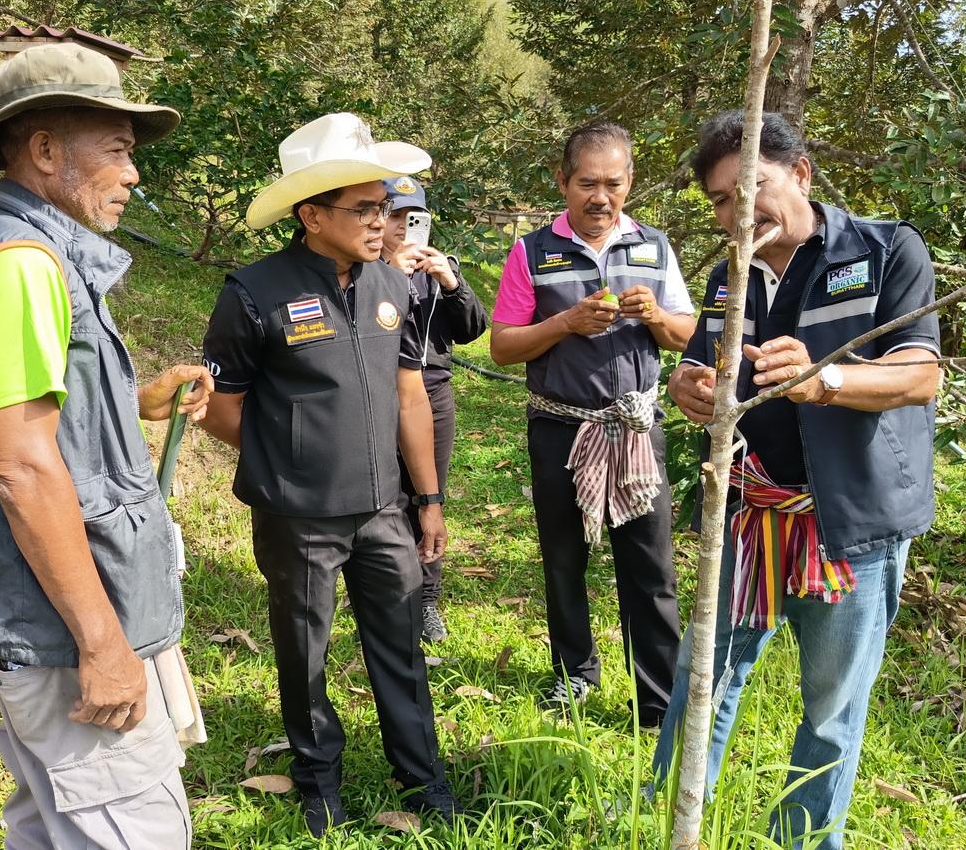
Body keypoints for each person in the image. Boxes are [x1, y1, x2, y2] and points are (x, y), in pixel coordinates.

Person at [0, 42, 215, 849]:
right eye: (117, 149)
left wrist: (132, 402)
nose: (134, 174)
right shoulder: (21, 263)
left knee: (52, 828)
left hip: (60, 624)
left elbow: (46, 422)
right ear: (47, 151)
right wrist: (104, 644)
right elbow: (18, 466)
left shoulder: (41, 254)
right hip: (64, 635)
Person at [652, 110, 941, 849]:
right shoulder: (728, 279)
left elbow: (920, 373)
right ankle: (663, 817)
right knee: (702, 678)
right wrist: (688, 387)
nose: (735, 213)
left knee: (830, 705)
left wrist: (828, 380)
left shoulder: (883, 251)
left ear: (801, 174)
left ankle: (802, 841)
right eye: (719, 200)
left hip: (851, 524)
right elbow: (702, 364)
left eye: (750, 189)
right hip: (750, 515)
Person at [199, 113, 461, 837]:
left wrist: (427, 499)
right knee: (304, 650)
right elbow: (224, 409)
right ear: (312, 215)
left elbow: (411, 395)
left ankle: (424, 781)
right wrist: (285, 469)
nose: (386, 222)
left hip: (384, 509)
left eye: (388, 207)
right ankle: (319, 781)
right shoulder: (254, 293)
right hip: (299, 515)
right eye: (368, 209)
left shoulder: (393, 285)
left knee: (400, 649)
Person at [489, 121, 696, 723]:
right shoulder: (532, 252)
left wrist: (656, 314)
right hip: (561, 426)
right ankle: (574, 675)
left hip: (635, 427)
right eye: (586, 183)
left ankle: (657, 699)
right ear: (562, 181)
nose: (599, 197)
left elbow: (687, 334)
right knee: (565, 557)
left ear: (630, 182)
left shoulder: (654, 248)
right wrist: (565, 324)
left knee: (650, 563)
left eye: (612, 183)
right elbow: (503, 346)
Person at [379, 175, 488, 642]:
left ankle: (425, 601)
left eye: (414, 217)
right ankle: (381, 588)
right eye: (395, 216)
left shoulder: (440, 269)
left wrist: (452, 283)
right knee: (387, 495)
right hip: (380, 393)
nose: (405, 227)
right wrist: (390, 277)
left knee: (429, 496)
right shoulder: (365, 272)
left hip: (433, 392)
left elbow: (472, 330)